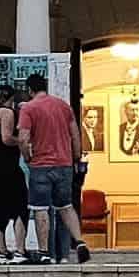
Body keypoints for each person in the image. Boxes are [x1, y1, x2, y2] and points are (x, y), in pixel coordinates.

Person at [14, 71, 88, 265]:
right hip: (64, 164)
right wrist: (76, 157)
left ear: (30, 90)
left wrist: (27, 156)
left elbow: (23, 138)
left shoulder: (29, 108)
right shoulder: (64, 106)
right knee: (66, 206)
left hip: (41, 166)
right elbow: (75, 136)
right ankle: (79, 242)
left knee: (40, 209)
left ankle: (45, 251)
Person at [0, 76, 31, 265]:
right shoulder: (8, 113)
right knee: (20, 208)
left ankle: (1, 252)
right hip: (9, 168)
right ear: (11, 99)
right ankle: (19, 250)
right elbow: (6, 138)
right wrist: (22, 142)